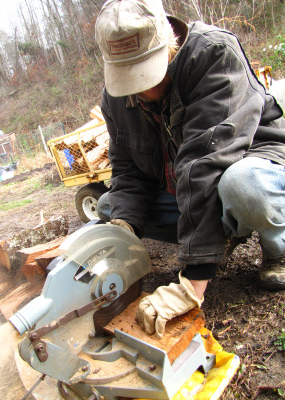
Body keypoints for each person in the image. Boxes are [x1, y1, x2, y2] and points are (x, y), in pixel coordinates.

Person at [95, 0, 285, 339]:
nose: (142, 90)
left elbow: (206, 162)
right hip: (190, 185)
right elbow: (127, 172)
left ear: (169, 45)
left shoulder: (212, 54)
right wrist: (122, 233)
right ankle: (217, 235)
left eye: (147, 73)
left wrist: (192, 283)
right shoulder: (113, 101)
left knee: (244, 186)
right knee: (113, 210)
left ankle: (277, 249)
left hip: (247, 163)